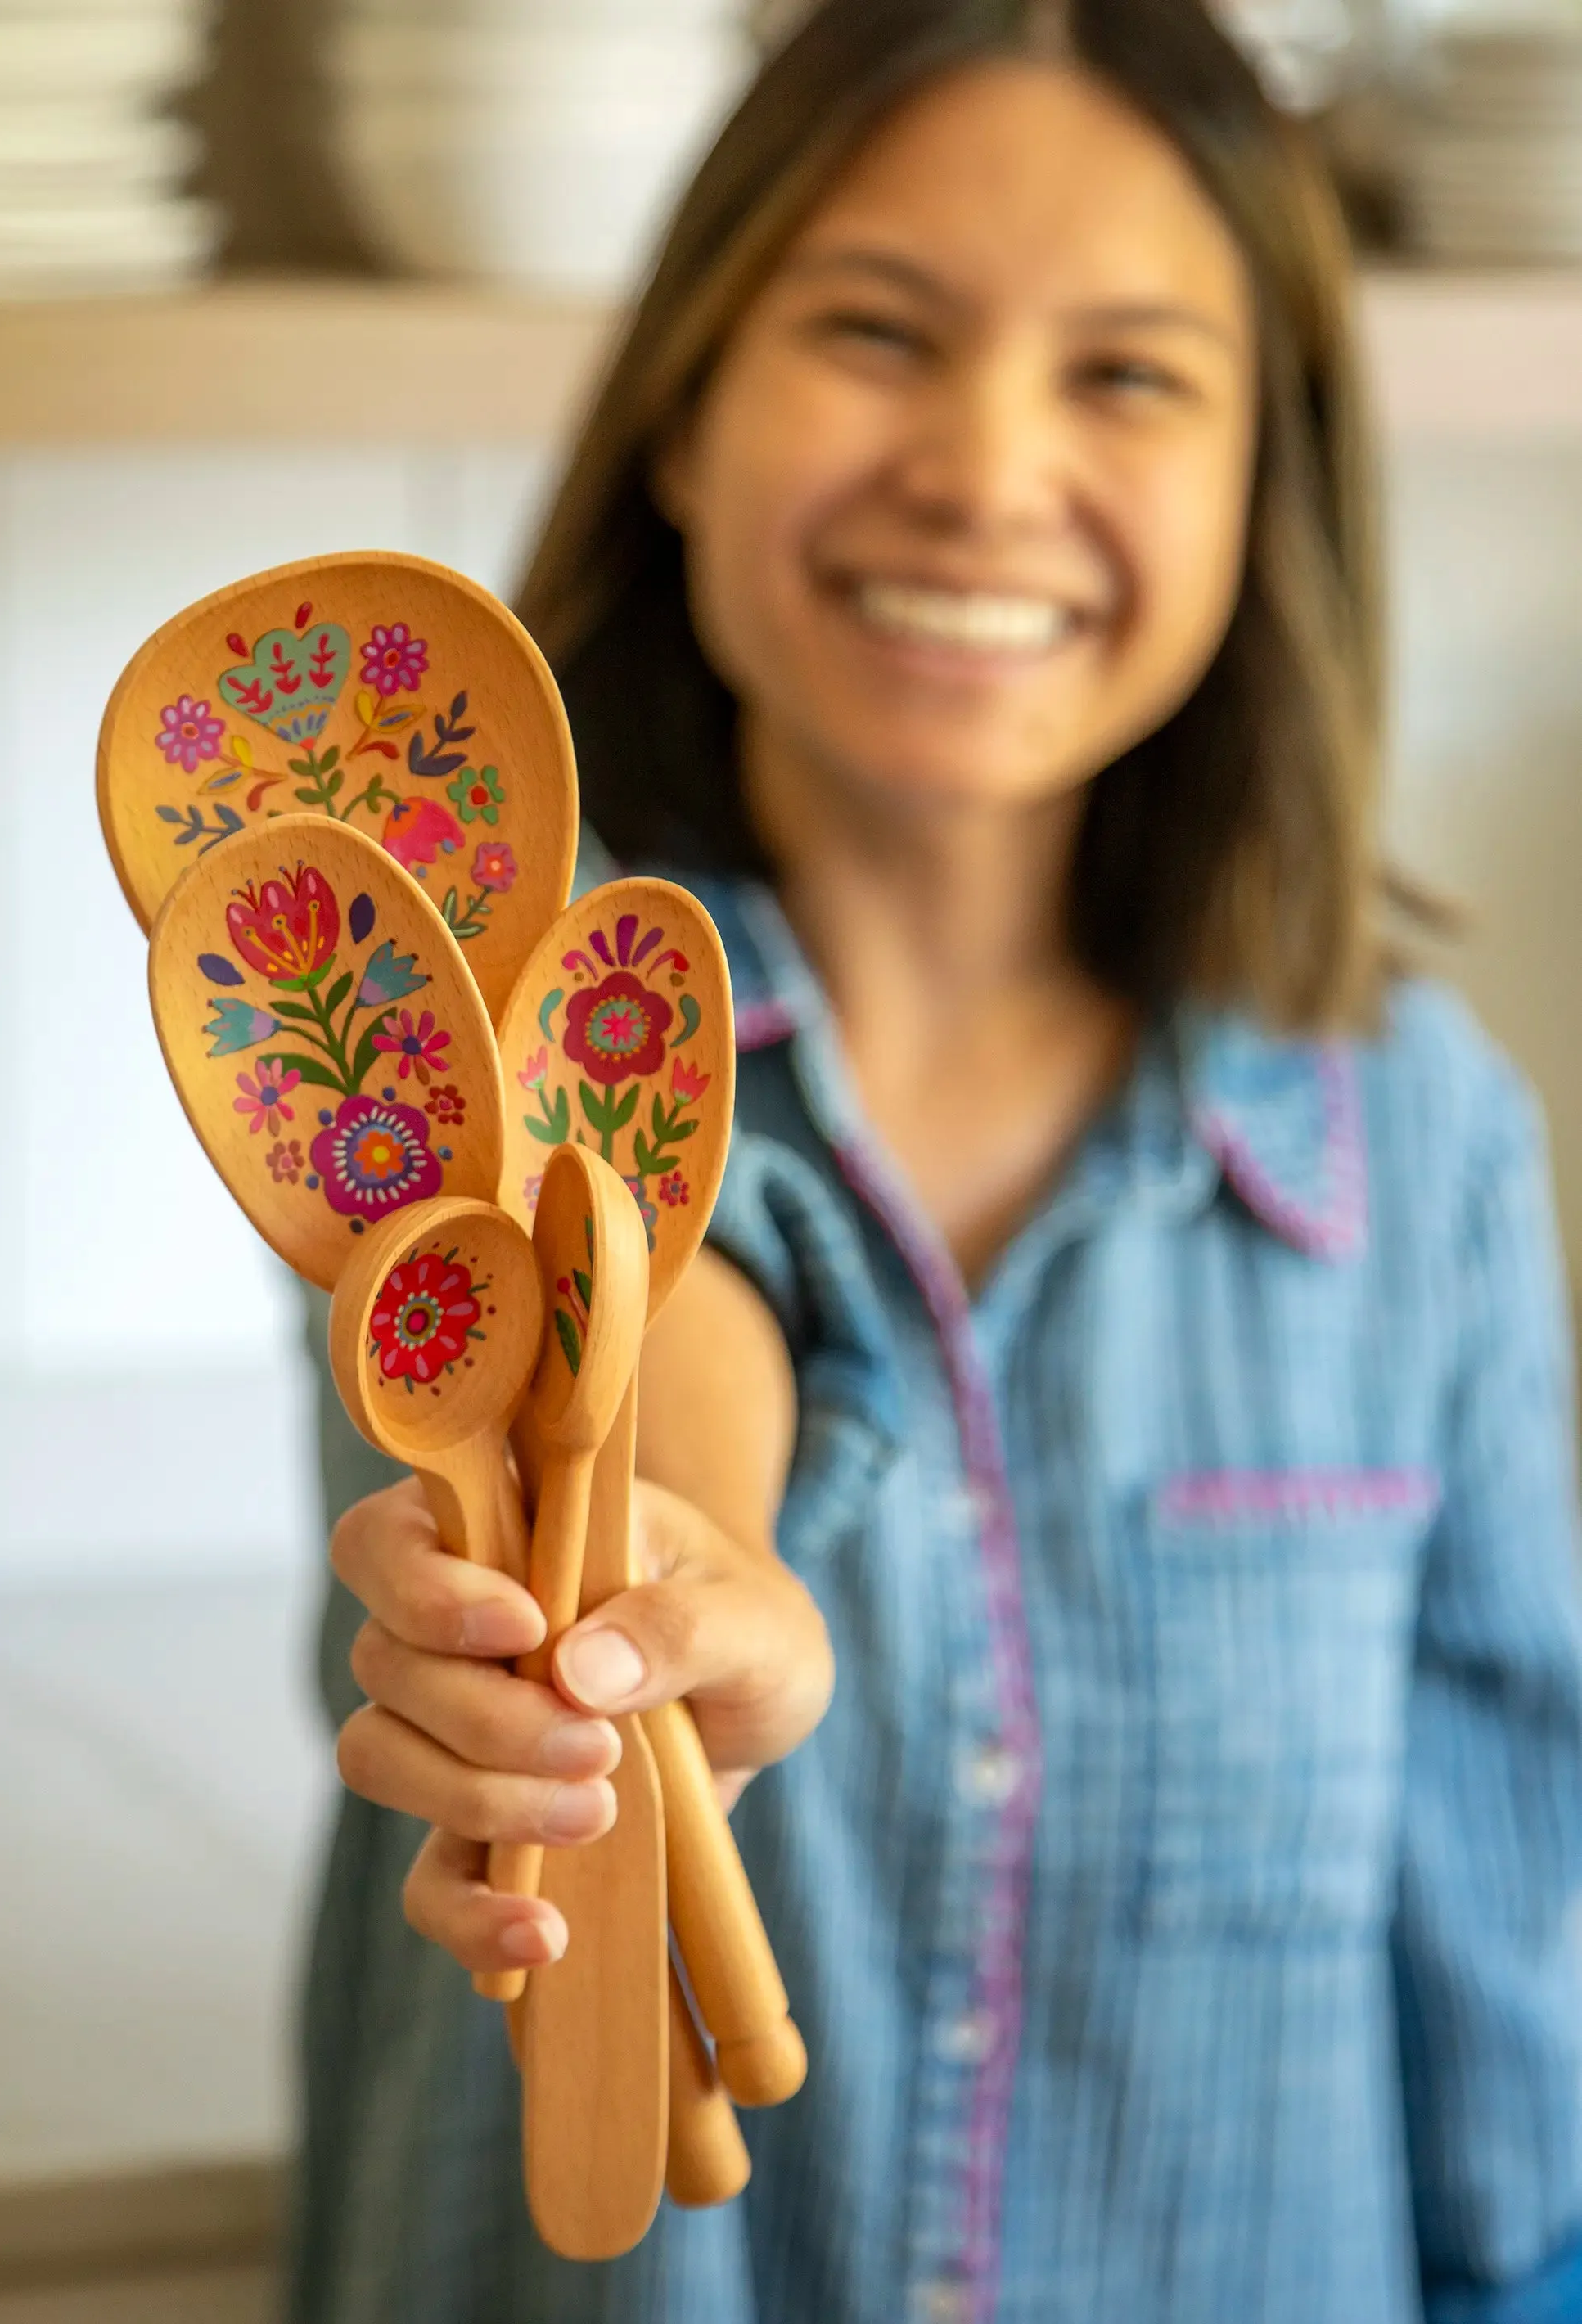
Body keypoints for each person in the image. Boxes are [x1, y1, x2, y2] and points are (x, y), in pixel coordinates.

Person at [291, 2, 1582, 2317]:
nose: (988, 469)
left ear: (1262, 479)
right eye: (879, 330)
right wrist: (698, 1584)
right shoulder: (446, 1038)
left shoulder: (1425, 1143)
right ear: (686, 403)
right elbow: (670, 1276)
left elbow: (1501, 1944)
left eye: (1128, 374)